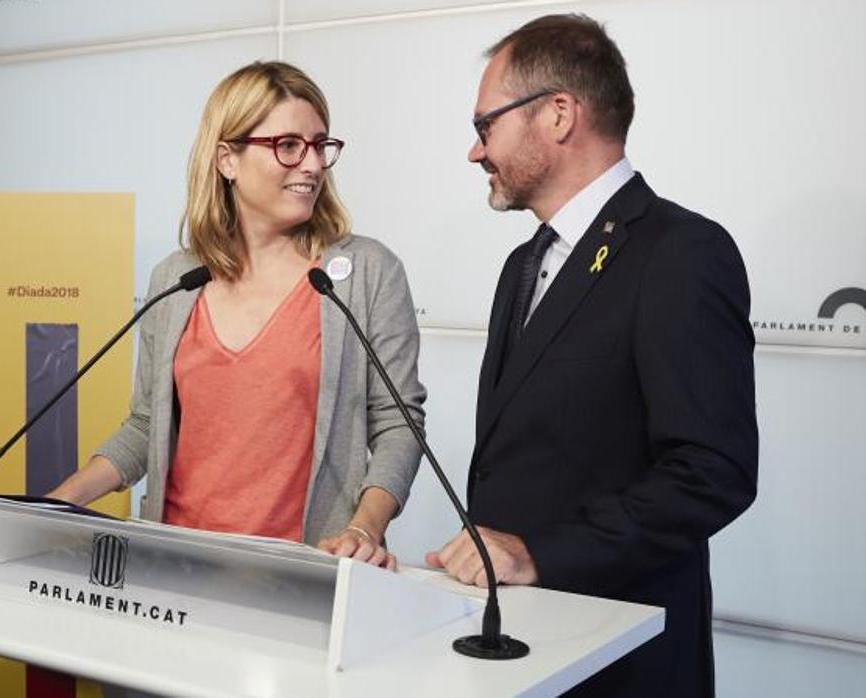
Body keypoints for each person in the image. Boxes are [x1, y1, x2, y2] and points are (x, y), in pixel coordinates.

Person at [423, 14, 758, 696]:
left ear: (556, 114)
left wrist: (538, 554)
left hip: (623, 660)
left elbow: (711, 470)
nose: (473, 151)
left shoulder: (680, 252)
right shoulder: (522, 263)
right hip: (515, 652)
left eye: (484, 125)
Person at [48, 61, 426, 569]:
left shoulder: (365, 273)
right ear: (227, 159)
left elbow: (399, 425)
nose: (312, 164)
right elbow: (145, 424)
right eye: (288, 146)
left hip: (302, 573)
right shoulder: (176, 280)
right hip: (176, 567)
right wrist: (57, 503)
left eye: (320, 145)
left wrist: (365, 527)